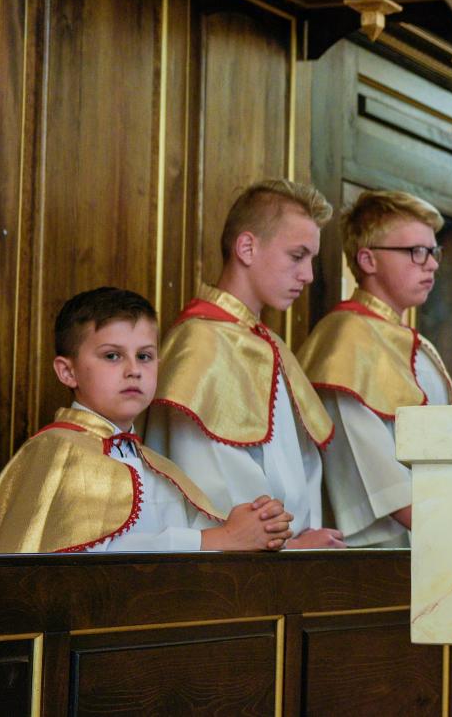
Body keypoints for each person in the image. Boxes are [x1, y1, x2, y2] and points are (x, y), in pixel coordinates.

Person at [0, 287, 294, 553]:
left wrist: (258, 526)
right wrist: (222, 538)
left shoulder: (155, 464)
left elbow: (213, 538)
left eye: (145, 356)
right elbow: (88, 560)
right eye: (112, 356)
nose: (134, 369)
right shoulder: (58, 452)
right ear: (67, 372)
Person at [147, 179, 345, 549]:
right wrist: (291, 547)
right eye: (297, 256)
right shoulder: (201, 344)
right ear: (247, 248)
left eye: (311, 259)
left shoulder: (267, 343)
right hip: (237, 567)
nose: (308, 275)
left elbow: (299, 466)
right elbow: (210, 487)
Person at [298, 190, 452, 547]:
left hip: (435, 534)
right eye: (416, 251)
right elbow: (374, 471)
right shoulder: (346, 340)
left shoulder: (418, 343)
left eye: (433, 252)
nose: (431, 264)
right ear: (368, 260)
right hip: (385, 549)